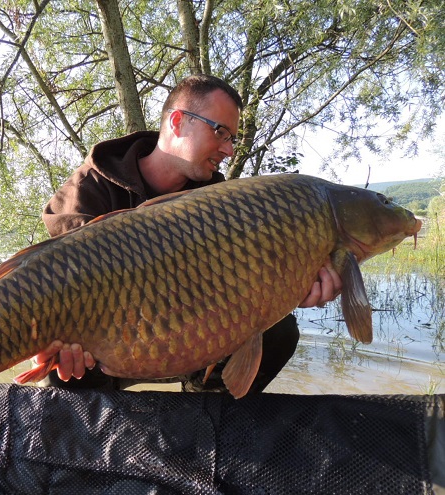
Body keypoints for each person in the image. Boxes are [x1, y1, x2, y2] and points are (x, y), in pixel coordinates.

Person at [32, 74, 341, 393]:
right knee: (63, 370)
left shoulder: (222, 201)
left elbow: (237, 288)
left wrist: (286, 291)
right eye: (220, 132)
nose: (229, 150)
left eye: (232, 138)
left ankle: (203, 412)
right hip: (113, 346)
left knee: (279, 331)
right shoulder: (90, 188)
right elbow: (58, 289)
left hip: (190, 343)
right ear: (178, 121)